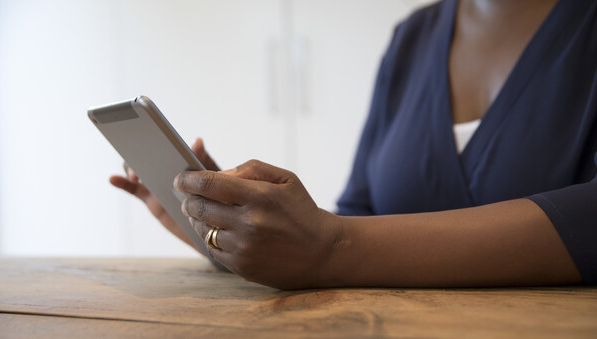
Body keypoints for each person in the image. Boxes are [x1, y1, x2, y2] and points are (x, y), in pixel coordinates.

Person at [111, 0, 597, 289]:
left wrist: (330, 247)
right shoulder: (412, 40)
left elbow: (347, 240)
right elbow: (359, 216)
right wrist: (234, 227)